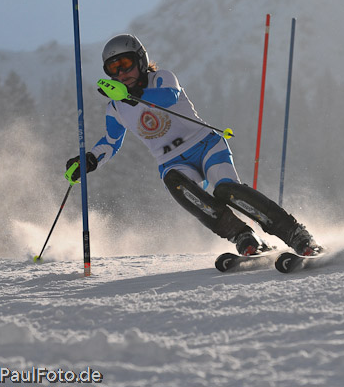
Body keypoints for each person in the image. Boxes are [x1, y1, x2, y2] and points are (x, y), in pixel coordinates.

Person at [66, 33, 321, 257]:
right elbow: (111, 142)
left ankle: (295, 233)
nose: (122, 73)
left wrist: (132, 96)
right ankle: (242, 235)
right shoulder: (115, 106)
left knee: (226, 190)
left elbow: (168, 98)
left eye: (126, 64)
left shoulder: (162, 79)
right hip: (172, 161)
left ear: (141, 61)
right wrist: (89, 159)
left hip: (206, 145)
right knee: (179, 186)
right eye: (113, 69)